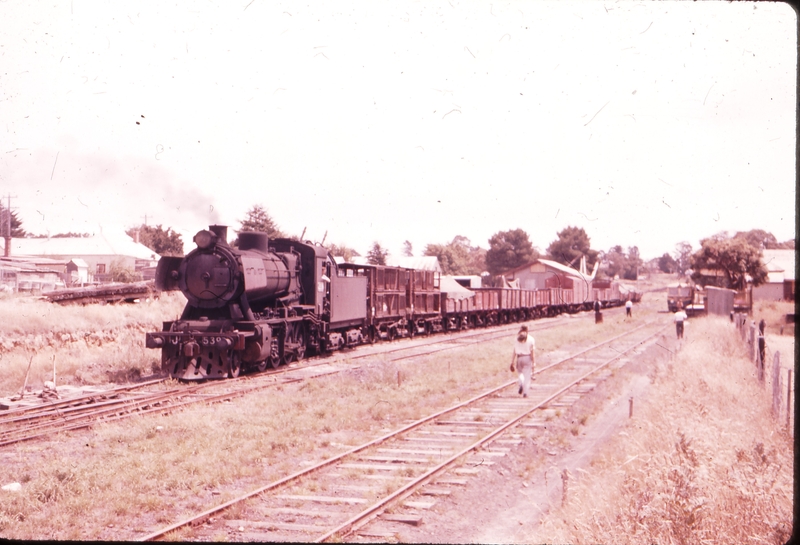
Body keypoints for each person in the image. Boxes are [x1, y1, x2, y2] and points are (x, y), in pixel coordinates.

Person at [510, 325, 535, 398]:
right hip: (527, 358)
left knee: (520, 373)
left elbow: (514, 351)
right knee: (527, 376)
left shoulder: (516, 338)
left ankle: (521, 383)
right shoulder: (531, 339)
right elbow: (532, 352)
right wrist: (533, 362)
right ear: (527, 330)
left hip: (519, 358)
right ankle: (525, 393)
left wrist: (512, 361)